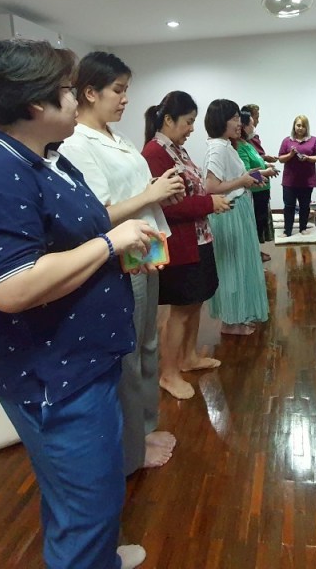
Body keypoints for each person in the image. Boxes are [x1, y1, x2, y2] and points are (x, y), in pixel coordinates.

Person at [0, 38, 154, 569]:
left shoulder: (46, 160)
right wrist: (109, 245)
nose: (78, 100)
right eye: (67, 90)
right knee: (86, 507)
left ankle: (100, 558)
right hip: (53, 375)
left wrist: (118, 247)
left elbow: (76, 234)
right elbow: (11, 287)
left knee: (90, 493)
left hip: (83, 358)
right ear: (37, 103)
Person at [58, 51, 185, 474]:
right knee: (127, 352)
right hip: (118, 256)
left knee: (147, 343)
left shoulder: (118, 137)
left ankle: (145, 427)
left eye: (126, 89)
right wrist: (150, 194)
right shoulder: (77, 144)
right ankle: (131, 446)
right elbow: (97, 214)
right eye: (118, 90)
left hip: (145, 247)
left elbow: (136, 191)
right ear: (89, 93)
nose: (125, 98)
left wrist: (159, 188)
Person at [142, 91, 228, 400]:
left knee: (195, 302)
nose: (192, 128)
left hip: (198, 236)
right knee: (180, 310)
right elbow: (163, 206)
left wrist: (206, 203)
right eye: (188, 122)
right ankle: (168, 372)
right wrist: (208, 204)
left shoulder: (177, 149)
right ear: (168, 120)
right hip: (180, 242)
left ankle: (188, 357)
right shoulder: (155, 153)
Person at [204, 99, 270, 335]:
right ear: (220, 121)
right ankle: (231, 321)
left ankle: (238, 317)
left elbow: (231, 178)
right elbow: (211, 186)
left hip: (237, 209)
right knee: (232, 267)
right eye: (234, 118)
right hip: (228, 212)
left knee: (240, 264)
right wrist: (242, 180)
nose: (239, 123)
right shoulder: (218, 148)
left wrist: (248, 178)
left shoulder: (226, 145)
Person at [235, 111, 278, 258]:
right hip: (254, 191)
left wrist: (266, 166)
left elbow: (256, 163)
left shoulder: (247, 143)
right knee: (255, 223)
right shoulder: (239, 146)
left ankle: (256, 252)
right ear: (243, 126)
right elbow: (246, 172)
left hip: (262, 189)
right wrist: (266, 172)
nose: (253, 128)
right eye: (251, 124)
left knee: (260, 222)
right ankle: (254, 255)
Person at [277, 115, 316, 236]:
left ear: (307, 127)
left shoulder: (314, 140)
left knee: (305, 206)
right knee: (289, 206)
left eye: (303, 126)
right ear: (294, 126)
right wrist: (290, 155)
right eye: (298, 125)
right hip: (289, 181)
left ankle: (303, 228)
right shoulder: (287, 141)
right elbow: (280, 159)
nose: (300, 128)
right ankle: (287, 230)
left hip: (307, 180)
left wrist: (308, 158)